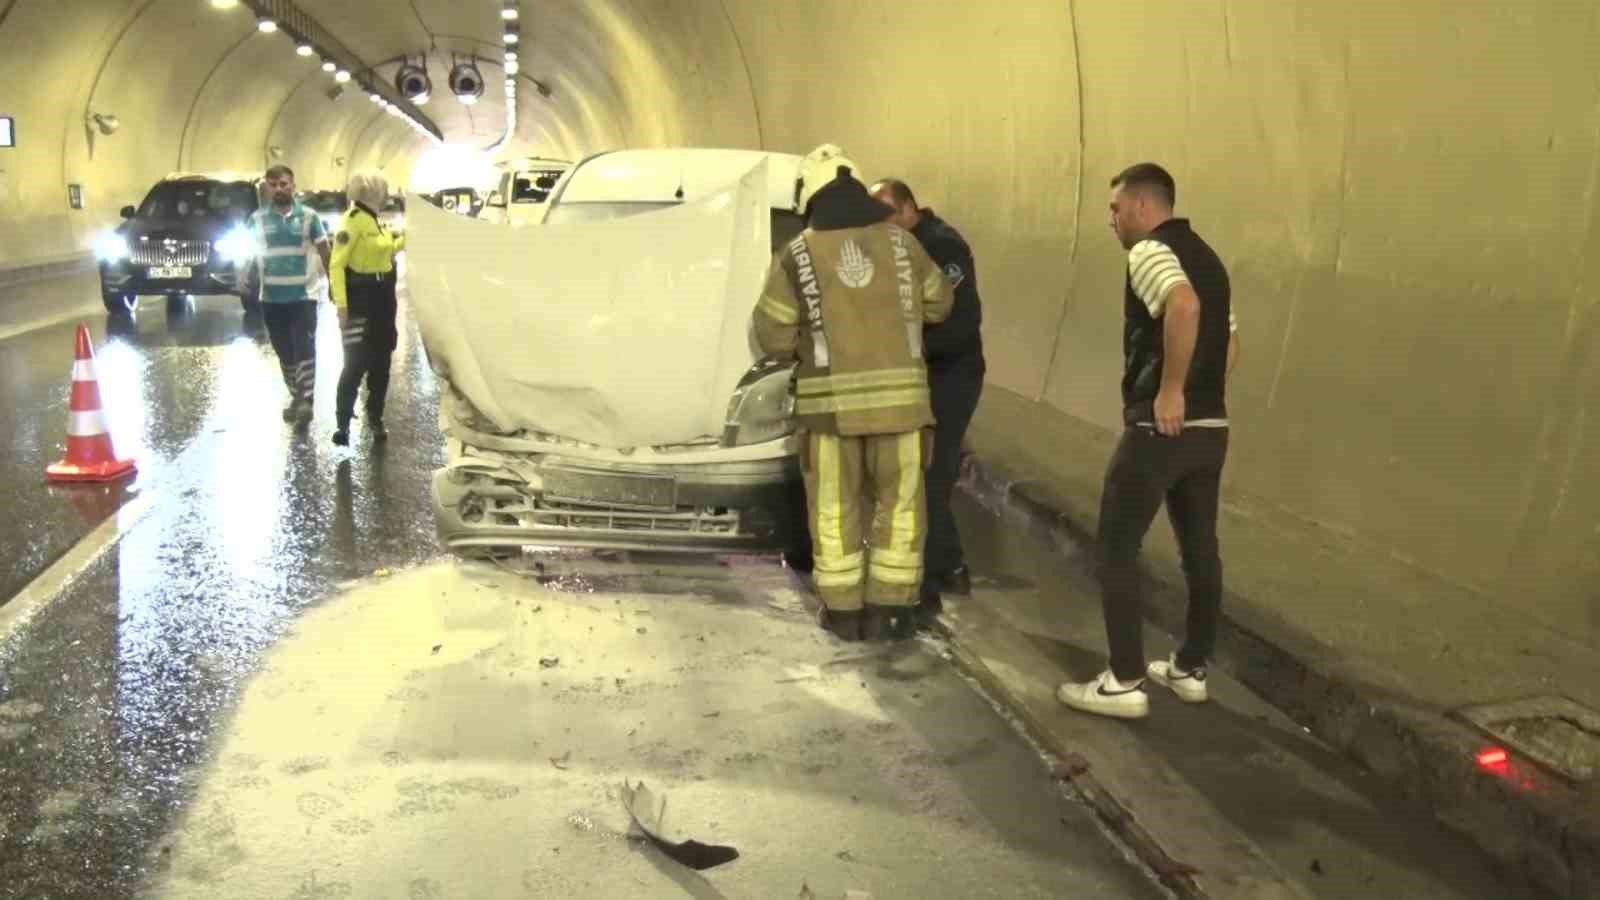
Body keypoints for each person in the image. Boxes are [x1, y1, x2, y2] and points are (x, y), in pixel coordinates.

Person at [1057, 163, 1240, 720]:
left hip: (1159, 429)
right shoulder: (1209, 257)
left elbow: (1182, 307)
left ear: (1141, 206)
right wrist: (1202, 394)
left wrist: (1171, 392)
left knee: (1115, 545)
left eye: (1115, 209)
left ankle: (1124, 679)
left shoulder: (1151, 252)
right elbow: (1228, 342)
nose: (1111, 221)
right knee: (1200, 550)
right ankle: (1189, 668)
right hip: (1211, 430)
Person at [753, 144, 954, 642]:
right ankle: (892, 611)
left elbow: (773, 333)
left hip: (830, 415)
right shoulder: (904, 245)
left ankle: (842, 612)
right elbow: (940, 304)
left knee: (834, 511)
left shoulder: (796, 253)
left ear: (810, 194)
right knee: (902, 508)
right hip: (903, 410)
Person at [870, 178, 986, 622]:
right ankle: (950, 566)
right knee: (926, 473)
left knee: (930, 475)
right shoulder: (899, 247)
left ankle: (929, 585)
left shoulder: (941, 245)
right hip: (926, 375)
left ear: (904, 209)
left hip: (952, 375)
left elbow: (954, 319)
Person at [244, 165, 331, 429]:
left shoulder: (309, 217)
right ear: (267, 188)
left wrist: (334, 282)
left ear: (293, 185)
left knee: (303, 348)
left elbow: (325, 249)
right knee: (284, 352)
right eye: (273, 184)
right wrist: (244, 276)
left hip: (304, 296)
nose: (278, 189)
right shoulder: (257, 219)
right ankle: (296, 396)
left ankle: (306, 400)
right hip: (271, 297)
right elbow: (249, 252)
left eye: (283, 183)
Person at [329, 172, 405, 446]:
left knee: (382, 363)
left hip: (383, 299)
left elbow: (385, 253)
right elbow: (336, 265)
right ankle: (342, 423)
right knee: (355, 363)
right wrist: (342, 306)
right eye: (383, 190)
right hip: (360, 299)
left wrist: (405, 240)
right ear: (370, 192)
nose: (386, 194)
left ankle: (375, 416)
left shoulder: (377, 222)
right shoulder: (351, 223)